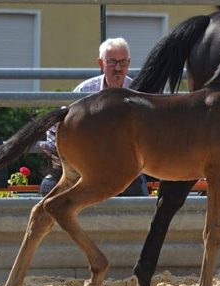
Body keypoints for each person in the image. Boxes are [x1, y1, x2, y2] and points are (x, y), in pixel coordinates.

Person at [40, 37, 148, 197]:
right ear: (101, 63)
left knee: (137, 195)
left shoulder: (138, 92)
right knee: (48, 186)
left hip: (124, 166)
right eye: (111, 62)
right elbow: (55, 129)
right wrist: (66, 159)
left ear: (129, 63)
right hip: (85, 164)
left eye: (123, 62)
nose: (118, 68)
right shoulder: (85, 90)